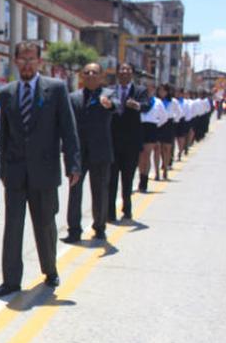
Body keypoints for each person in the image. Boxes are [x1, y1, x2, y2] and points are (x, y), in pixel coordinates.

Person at [0, 41, 80, 296]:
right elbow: (3, 134)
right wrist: (1, 170)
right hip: (15, 172)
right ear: (16, 61)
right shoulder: (7, 92)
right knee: (13, 227)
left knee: (45, 225)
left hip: (45, 171)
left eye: (32, 59)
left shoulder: (56, 89)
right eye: (23, 59)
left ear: (39, 61)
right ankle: (11, 280)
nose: (27, 63)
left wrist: (73, 164)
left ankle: (50, 270)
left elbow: (68, 129)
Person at [63, 63, 117, 243]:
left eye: (95, 72)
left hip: (100, 153)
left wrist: (109, 105)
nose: (91, 75)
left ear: (102, 76)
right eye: (87, 72)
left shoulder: (108, 95)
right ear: (81, 76)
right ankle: (74, 230)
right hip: (78, 153)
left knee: (100, 191)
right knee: (74, 192)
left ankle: (99, 227)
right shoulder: (73, 97)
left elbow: (115, 107)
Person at [108, 63, 148, 221]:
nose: (124, 72)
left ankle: (127, 209)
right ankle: (109, 212)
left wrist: (137, 105)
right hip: (112, 141)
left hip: (131, 142)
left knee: (127, 178)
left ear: (132, 73)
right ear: (117, 73)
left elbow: (146, 105)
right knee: (111, 179)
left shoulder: (140, 90)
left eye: (128, 70)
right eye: (122, 70)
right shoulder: (110, 91)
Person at [137, 83, 166, 192]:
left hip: (151, 128)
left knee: (147, 154)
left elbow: (164, 117)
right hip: (140, 127)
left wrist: (156, 124)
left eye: (151, 88)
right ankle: (141, 176)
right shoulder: (139, 101)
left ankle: (145, 180)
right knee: (140, 156)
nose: (149, 91)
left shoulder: (158, 102)